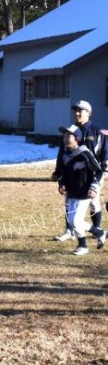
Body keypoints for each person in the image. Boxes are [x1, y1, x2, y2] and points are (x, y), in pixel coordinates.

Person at [52, 100, 108, 241]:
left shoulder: (97, 132)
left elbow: (104, 153)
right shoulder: (69, 131)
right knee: (69, 200)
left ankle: (97, 231)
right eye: (75, 111)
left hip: (93, 173)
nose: (77, 113)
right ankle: (70, 230)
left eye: (80, 111)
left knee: (93, 202)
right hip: (73, 174)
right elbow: (62, 154)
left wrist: (103, 170)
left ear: (89, 113)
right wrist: (58, 172)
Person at [56, 125, 106, 255]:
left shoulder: (84, 153)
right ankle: (100, 233)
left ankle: (83, 246)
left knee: (76, 221)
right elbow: (64, 174)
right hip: (72, 192)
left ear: (77, 138)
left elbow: (99, 172)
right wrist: (61, 184)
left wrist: (94, 187)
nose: (65, 138)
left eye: (69, 135)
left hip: (85, 192)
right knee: (72, 222)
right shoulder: (65, 156)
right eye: (64, 135)